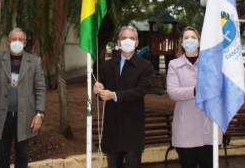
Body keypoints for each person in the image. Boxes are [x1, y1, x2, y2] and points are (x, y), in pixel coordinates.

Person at [0, 27, 46, 168]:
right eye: (14, 39)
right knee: (2, 153)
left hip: (25, 116)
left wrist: (39, 114)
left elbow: (40, 89)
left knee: (22, 154)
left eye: (21, 39)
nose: (17, 42)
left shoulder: (34, 61)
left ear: (25, 43)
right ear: (8, 42)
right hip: (2, 115)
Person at [94, 25, 154, 168]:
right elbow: (102, 94)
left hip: (132, 130)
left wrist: (114, 95)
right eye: (124, 38)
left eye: (132, 38)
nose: (128, 41)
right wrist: (98, 90)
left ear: (137, 42)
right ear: (118, 42)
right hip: (112, 130)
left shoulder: (145, 66)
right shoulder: (107, 66)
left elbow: (141, 90)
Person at [166, 26, 220, 168]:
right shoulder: (174, 65)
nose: (190, 40)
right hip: (185, 129)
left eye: (193, 37)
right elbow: (173, 92)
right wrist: (195, 91)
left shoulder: (210, 63)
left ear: (199, 41)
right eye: (186, 38)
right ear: (181, 43)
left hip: (207, 126)